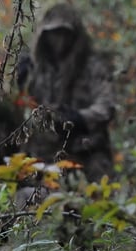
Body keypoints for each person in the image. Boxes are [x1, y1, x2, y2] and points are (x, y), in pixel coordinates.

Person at [17, 3, 116, 182]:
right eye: (53, 34)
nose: (58, 40)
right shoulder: (37, 70)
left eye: (63, 33)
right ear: (44, 36)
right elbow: (17, 109)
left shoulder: (92, 66)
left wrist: (80, 118)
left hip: (87, 151)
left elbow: (106, 106)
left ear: (74, 35)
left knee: (100, 197)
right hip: (46, 155)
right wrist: (18, 82)